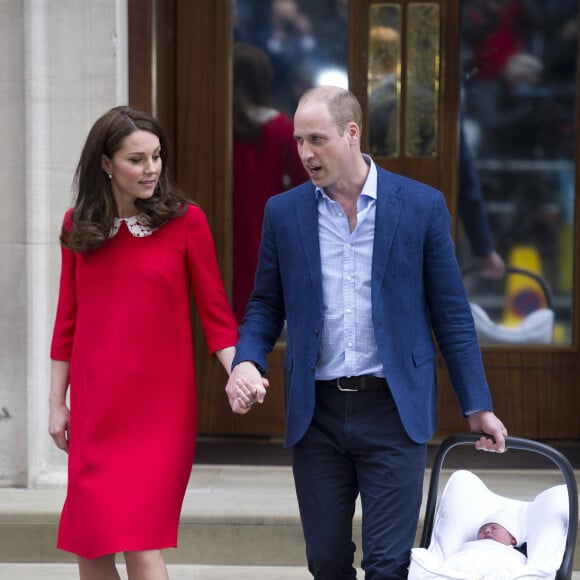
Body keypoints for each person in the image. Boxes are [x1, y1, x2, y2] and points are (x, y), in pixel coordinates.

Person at [225, 86, 508, 579]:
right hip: (317, 413)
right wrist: (247, 358)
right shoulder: (285, 213)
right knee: (327, 561)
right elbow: (265, 304)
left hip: (393, 411)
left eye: (317, 139)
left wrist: (477, 404)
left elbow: (452, 314)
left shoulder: (420, 206)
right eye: (298, 141)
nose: (305, 153)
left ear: (352, 133)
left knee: (387, 565)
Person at [48, 106, 239, 579]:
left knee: (141, 543)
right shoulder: (78, 226)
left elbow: (217, 317)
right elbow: (66, 322)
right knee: (89, 545)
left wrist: (239, 371)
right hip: (96, 410)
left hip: (160, 413)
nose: (152, 168)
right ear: (106, 164)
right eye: (137, 159)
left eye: (156, 156)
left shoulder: (187, 222)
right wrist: (57, 402)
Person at [232, 42, 307, 322]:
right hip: (266, 232)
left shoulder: (217, 129)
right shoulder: (282, 129)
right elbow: (304, 186)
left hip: (223, 231)